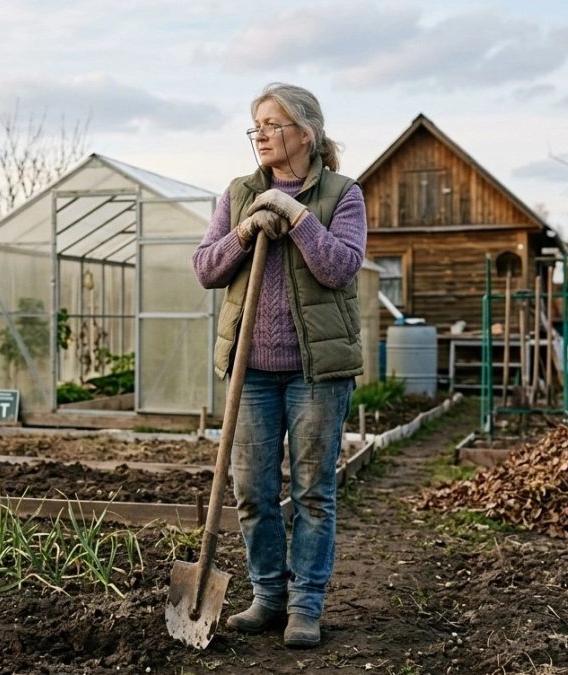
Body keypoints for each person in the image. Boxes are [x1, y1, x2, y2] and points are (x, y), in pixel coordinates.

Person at [190, 83, 366, 648]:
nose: (260, 135)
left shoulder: (343, 194)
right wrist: (244, 232)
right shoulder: (239, 192)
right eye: (256, 126)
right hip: (251, 373)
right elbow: (205, 269)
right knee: (253, 492)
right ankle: (268, 597)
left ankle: (305, 607)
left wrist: (297, 217)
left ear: (305, 133)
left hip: (317, 372)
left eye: (272, 124)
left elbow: (340, 268)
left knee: (313, 493)